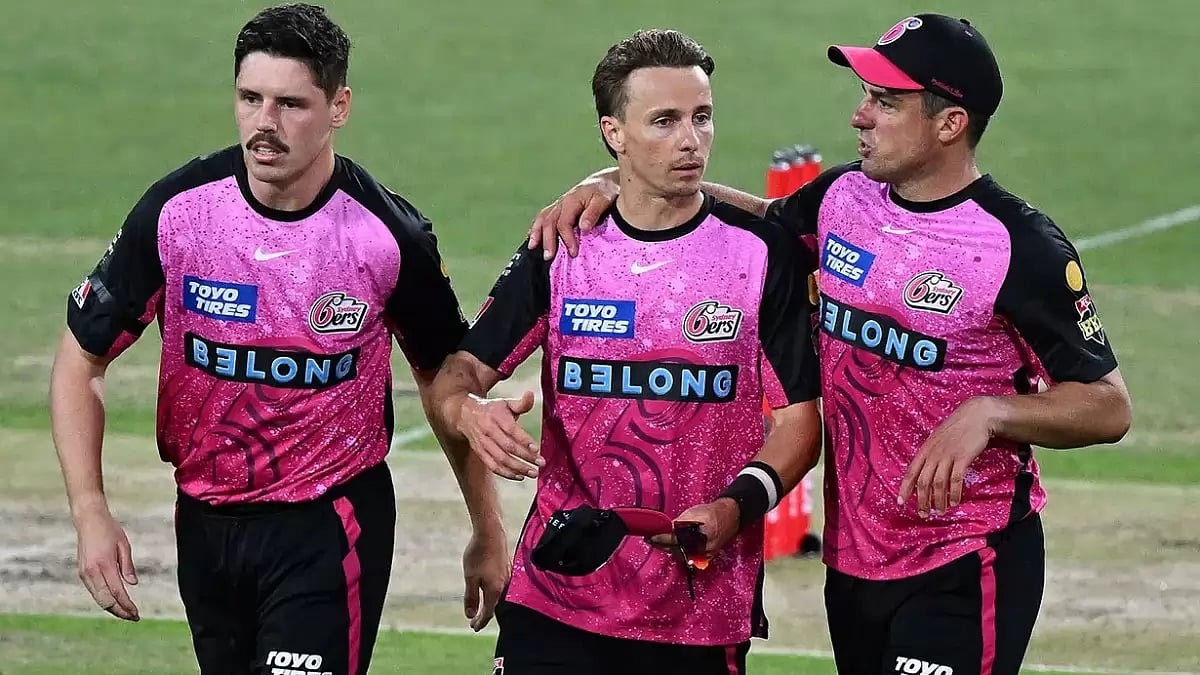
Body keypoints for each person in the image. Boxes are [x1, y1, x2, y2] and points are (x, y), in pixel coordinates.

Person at [525, 13, 1134, 675]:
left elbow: (1108, 405)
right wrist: (615, 182)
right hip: (855, 563)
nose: (860, 116)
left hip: (967, 555)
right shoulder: (846, 196)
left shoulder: (1018, 246)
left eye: (885, 102)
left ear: (949, 123)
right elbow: (755, 224)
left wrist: (992, 412)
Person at [48, 4, 508, 674]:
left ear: (339, 105)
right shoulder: (178, 213)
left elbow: (446, 377)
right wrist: (90, 510)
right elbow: (80, 356)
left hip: (329, 524)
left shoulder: (387, 236)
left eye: (291, 103)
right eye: (250, 98)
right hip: (204, 523)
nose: (266, 123)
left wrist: (487, 528)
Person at [430, 28, 823, 675]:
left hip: (698, 611)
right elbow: (457, 374)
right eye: (665, 121)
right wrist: (469, 411)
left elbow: (799, 421)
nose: (692, 139)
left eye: (702, 117)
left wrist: (736, 505)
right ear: (614, 131)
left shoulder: (759, 256)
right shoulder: (562, 246)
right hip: (556, 593)